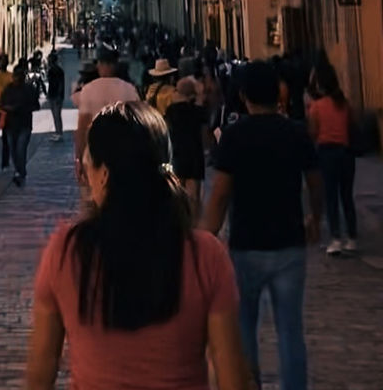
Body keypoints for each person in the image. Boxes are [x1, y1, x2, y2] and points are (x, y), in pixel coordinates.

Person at [26, 101, 246, 390]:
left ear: (104, 173)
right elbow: (232, 377)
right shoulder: (205, 255)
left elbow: (41, 370)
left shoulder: (66, 252)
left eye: (87, 162)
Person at [203, 60, 322, 390]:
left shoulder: (234, 136)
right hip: (289, 244)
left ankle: (248, 383)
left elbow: (221, 193)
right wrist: (316, 217)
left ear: (243, 96)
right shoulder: (295, 132)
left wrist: (204, 235)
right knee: (290, 330)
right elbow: (315, 181)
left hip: (246, 245)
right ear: (278, 92)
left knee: (243, 329)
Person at [308, 63, 358, 255]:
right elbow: (352, 126)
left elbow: (313, 132)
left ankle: (336, 237)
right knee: (347, 196)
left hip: (326, 153)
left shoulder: (317, 107)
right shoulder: (344, 104)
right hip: (345, 154)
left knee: (331, 196)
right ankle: (352, 237)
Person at [73, 46, 140, 184]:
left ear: (101, 65)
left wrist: (78, 156)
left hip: (95, 150)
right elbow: (138, 122)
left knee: (96, 194)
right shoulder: (129, 89)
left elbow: (82, 126)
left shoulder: (89, 89)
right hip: (122, 149)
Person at [164, 76, 207, 220]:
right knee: (194, 195)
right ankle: (195, 223)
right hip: (194, 153)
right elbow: (205, 131)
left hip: (177, 152)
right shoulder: (197, 111)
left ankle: (181, 221)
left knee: (178, 191)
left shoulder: (170, 110)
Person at [0, 64, 39, 185]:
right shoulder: (8, 89)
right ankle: (19, 170)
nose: (17, 79)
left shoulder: (29, 89)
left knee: (21, 149)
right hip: (10, 125)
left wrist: (24, 108)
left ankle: (19, 172)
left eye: (19, 76)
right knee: (13, 150)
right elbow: (0, 104)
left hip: (25, 124)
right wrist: (9, 108)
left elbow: (36, 106)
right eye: (15, 76)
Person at [46, 50, 66, 142]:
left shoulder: (56, 71)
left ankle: (59, 133)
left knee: (57, 115)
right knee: (56, 115)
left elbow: (60, 84)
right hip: (53, 95)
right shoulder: (54, 70)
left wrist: (58, 95)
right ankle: (58, 132)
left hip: (56, 96)